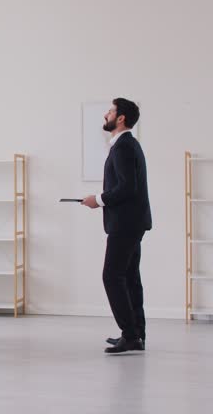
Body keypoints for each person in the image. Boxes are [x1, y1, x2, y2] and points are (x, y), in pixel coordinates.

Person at [81, 98, 152, 354]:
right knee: (130, 278)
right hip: (133, 222)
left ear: (120, 118)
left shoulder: (123, 147)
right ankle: (136, 334)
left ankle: (130, 334)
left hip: (125, 223)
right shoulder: (128, 145)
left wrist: (97, 200)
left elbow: (126, 187)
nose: (106, 115)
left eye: (110, 111)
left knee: (111, 276)